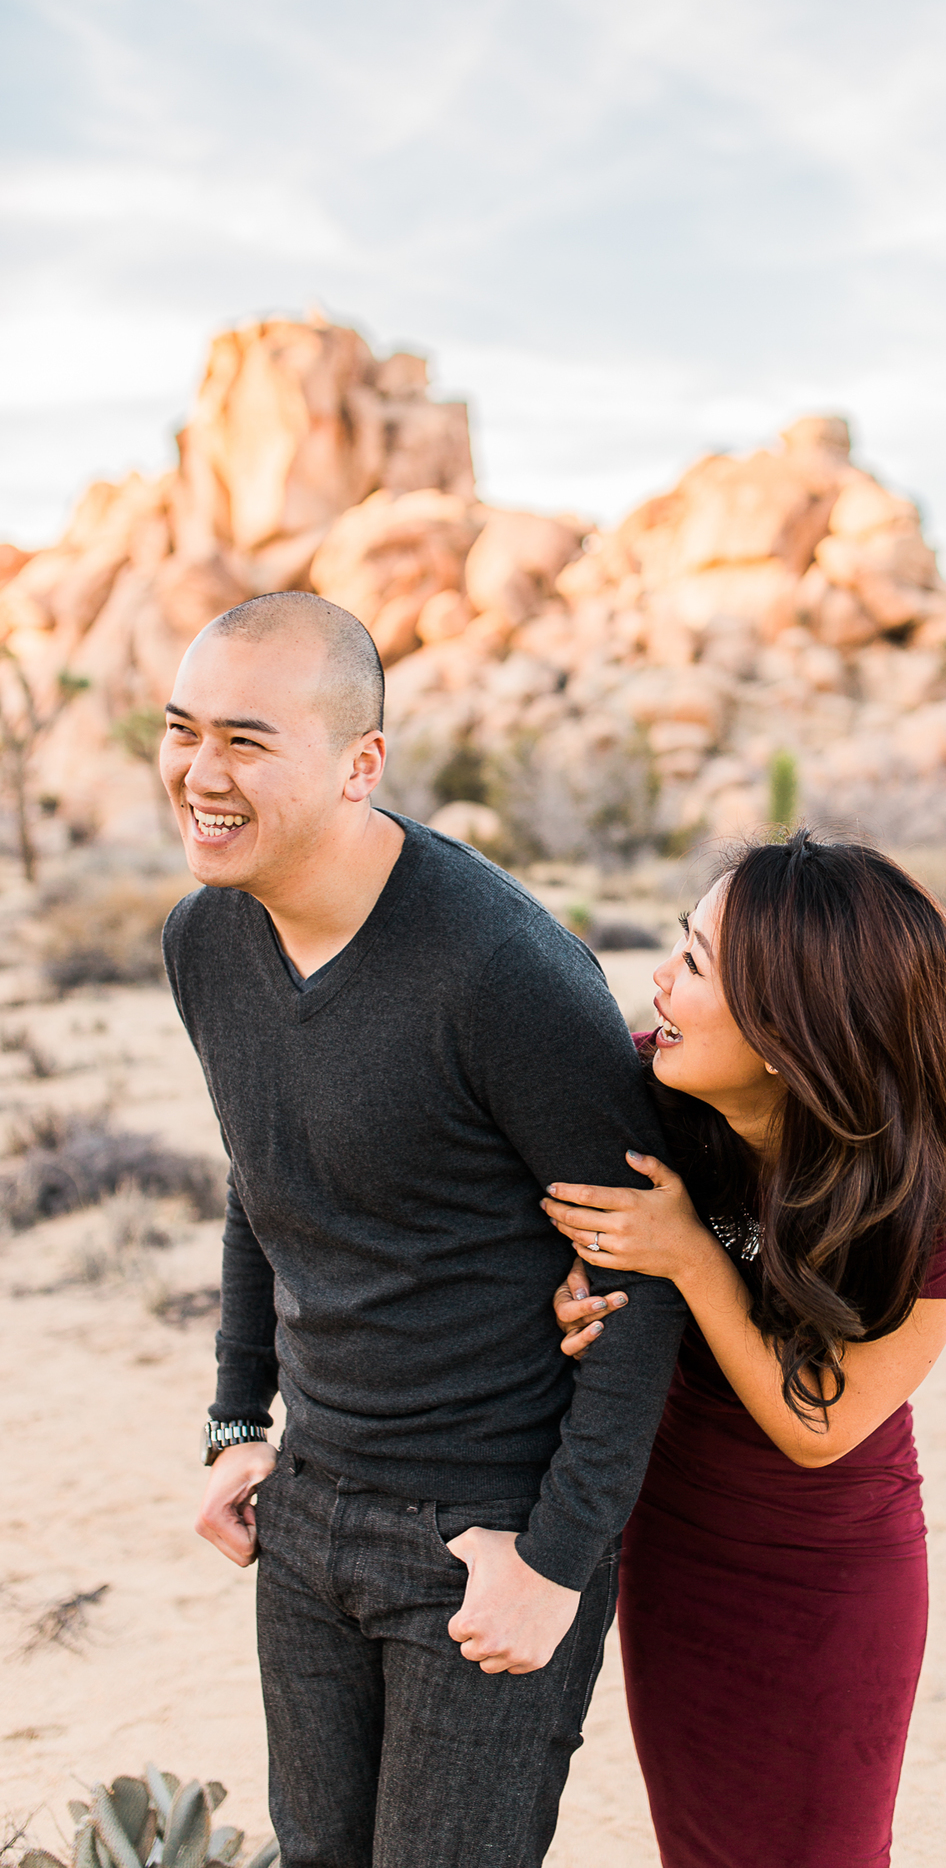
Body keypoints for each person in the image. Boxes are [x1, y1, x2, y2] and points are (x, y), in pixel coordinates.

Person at [172, 593, 688, 1866]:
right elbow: (262, 1181)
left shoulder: (504, 971)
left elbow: (644, 1275)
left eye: (247, 739)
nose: (199, 773)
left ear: (362, 765)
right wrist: (241, 1425)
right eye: (182, 730)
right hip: (306, 1511)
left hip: (485, 1529)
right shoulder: (205, 938)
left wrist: (557, 1561)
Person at [540, 829, 946, 1868]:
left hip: (829, 1579)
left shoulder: (934, 1189)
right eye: (678, 947)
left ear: (786, 1029)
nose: (657, 984)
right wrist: (567, 1302)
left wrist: (688, 1257)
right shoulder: (652, 1100)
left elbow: (820, 1426)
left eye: (692, 965)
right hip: (673, 1547)